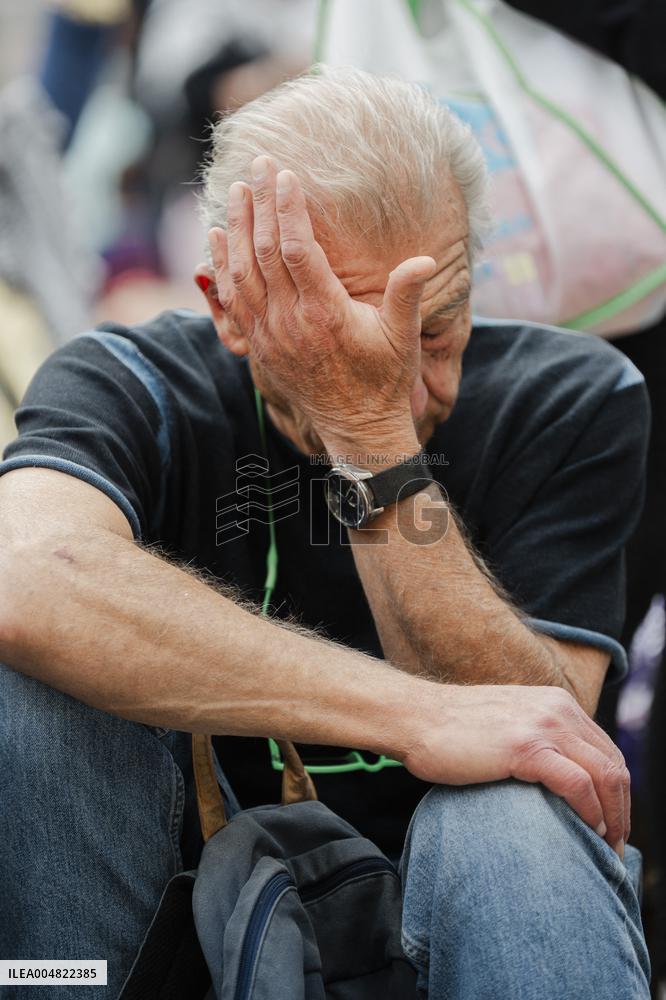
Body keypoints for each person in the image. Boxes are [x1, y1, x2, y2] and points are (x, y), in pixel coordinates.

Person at [0, 68, 651, 998]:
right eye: (345, 330)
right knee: (35, 693)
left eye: (437, 325)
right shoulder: (128, 377)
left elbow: (543, 733)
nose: (411, 385)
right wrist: (421, 717)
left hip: (458, 929)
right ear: (227, 305)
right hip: (150, 938)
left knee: (515, 812)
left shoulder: (572, 396)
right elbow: (25, 581)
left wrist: (371, 442)